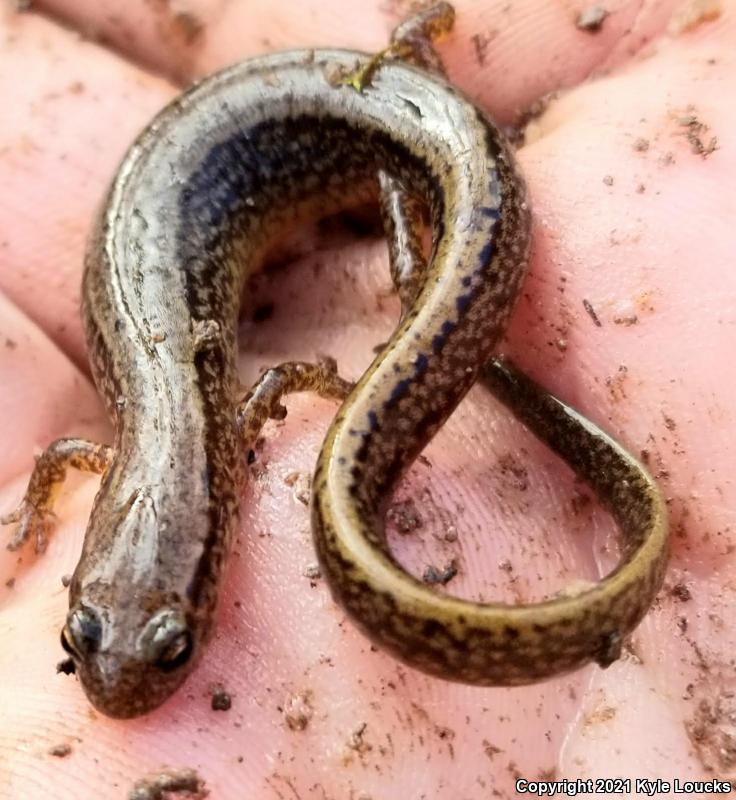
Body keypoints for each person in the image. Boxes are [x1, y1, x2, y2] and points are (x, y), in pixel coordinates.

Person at [1, 1, 732, 797]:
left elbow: (281, 382)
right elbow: (280, 382)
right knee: (422, 280)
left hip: (391, 138)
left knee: (421, 278)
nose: (115, 679)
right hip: (325, 130)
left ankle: (424, 206)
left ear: (212, 564)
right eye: (88, 632)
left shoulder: (169, 448)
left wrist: (362, 372)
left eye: (173, 645)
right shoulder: (144, 450)